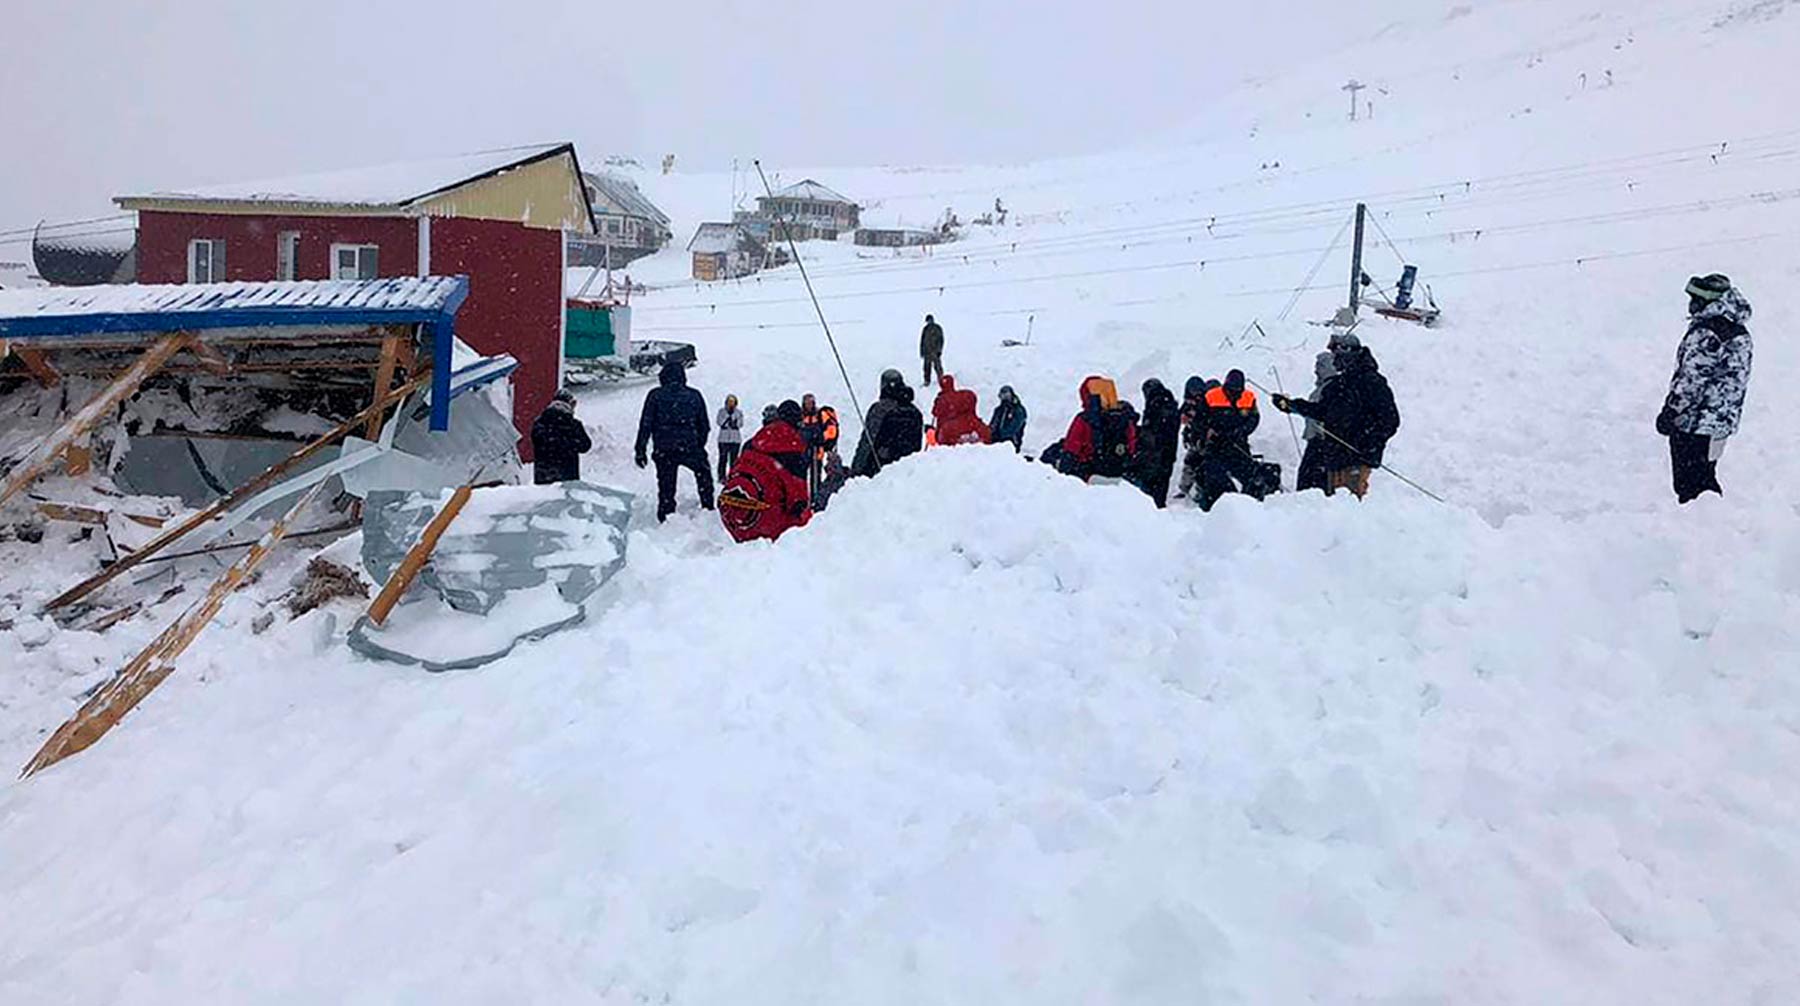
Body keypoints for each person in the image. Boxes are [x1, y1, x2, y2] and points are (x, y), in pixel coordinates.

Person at [1657, 273, 1753, 503]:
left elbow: (1692, 379)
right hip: (1720, 423)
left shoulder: (1708, 332)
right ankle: (1712, 522)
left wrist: (1672, 411)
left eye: (1697, 299)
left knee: (1689, 486)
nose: (1692, 305)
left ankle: (1696, 530)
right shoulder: (1737, 330)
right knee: (1706, 477)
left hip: (1694, 423)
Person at [1273, 341, 1400, 498]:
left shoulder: (1372, 382)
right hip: (1336, 455)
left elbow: (1389, 420)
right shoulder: (1339, 384)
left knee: (1350, 503)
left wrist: (1369, 444)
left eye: (1337, 357)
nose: (1334, 361)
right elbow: (1322, 411)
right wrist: (1292, 406)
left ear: (1348, 355)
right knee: (1333, 503)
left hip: (1358, 456)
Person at [718, 400, 813, 543]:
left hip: (731, 517)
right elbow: (799, 501)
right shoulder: (795, 449)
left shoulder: (752, 442)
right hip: (766, 525)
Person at [634, 361, 714, 522]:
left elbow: (646, 424)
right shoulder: (694, 395)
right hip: (690, 447)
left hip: (665, 448)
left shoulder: (655, 395)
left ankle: (666, 516)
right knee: (703, 475)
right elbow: (704, 425)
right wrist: (698, 444)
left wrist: (640, 450)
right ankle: (708, 508)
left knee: (666, 486)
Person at [1046, 375, 1138, 481]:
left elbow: (1071, 449)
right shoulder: (1125, 418)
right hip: (1118, 469)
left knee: (1052, 453)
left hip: (1088, 471)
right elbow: (1131, 447)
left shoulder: (1085, 419)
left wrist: (1063, 472)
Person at [851, 368, 925, 477]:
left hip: (879, 470)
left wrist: (856, 471)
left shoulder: (880, 409)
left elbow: (867, 442)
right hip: (908, 473)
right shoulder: (914, 411)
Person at [1294, 350, 1338, 493]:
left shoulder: (1332, 389)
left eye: (1320, 366)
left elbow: (1319, 412)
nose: (1316, 370)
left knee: (1313, 479)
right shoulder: (1320, 389)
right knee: (1307, 477)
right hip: (1315, 440)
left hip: (1323, 441)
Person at [529, 388, 592, 485]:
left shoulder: (540, 423)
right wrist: (570, 443)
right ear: (570, 404)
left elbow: (536, 441)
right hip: (567, 477)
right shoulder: (573, 424)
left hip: (543, 477)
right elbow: (585, 446)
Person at [1136, 378, 1182, 508]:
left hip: (1154, 450)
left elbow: (1149, 428)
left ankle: (1151, 507)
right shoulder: (1172, 404)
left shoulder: (1154, 404)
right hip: (1170, 449)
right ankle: (1160, 505)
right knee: (1163, 480)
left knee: (1150, 482)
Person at [1173, 376, 1212, 500]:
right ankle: (1184, 489)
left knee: (1205, 465)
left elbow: (1209, 421)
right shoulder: (1188, 403)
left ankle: (1203, 490)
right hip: (1195, 438)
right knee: (1190, 463)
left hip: (1207, 439)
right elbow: (1180, 415)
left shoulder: (1208, 403)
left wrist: (1195, 419)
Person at [930, 374, 991, 446]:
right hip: (972, 426)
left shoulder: (942, 400)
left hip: (950, 431)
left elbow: (935, 413)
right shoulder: (965, 396)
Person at [799, 393, 841, 495]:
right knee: (800, 478)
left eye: (811, 402)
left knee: (815, 478)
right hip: (802, 453)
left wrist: (821, 437)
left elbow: (832, 430)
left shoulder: (821, 415)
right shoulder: (799, 416)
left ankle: (815, 499)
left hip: (816, 452)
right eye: (807, 402)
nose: (809, 404)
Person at [716, 394, 747, 482]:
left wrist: (734, 423)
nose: (731, 404)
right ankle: (721, 476)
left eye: (732, 402)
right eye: (729, 402)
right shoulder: (721, 412)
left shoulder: (739, 413)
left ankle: (733, 476)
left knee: (734, 460)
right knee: (723, 459)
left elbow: (740, 424)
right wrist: (727, 420)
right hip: (723, 439)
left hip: (735, 439)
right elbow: (719, 422)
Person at [989, 384, 1028, 452]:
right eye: (1002, 396)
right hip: (996, 442)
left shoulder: (1018, 410)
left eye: (1006, 395)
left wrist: (1001, 435)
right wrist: (990, 433)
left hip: (1011, 442)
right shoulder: (999, 410)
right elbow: (993, 424)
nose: (1005, 398)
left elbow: (1014, 427)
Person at [920, 313, 945, 386]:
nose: (929, 322)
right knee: (926, 368)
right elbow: (922, 341)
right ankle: (927, 381)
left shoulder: (937, 328)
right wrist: (922, 351)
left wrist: (939, 350)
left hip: (935, 352)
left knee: (938, 367)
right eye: (928, 321)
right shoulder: (925, 329)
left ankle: (941, 380)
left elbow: (941, 340)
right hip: (927, 352)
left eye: (930, 320)